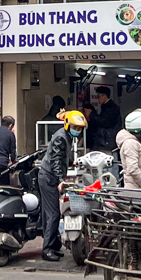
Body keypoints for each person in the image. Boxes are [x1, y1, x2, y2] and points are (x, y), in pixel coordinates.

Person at [39, 110, 84, 261]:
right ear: (67, 125)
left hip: (49, 177)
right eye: (75, 127)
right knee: (52, 214)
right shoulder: (61, 137)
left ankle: (53, 245)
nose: (77, 131)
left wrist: (72, 162)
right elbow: (56, 160)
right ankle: (47, 250)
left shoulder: (66, 136)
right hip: (49, 178)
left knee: (51, 214)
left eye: (79, 128)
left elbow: (62, 155)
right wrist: (60, 180)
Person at [117, 109, 141, 189]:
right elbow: (133, 169)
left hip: (138, 189)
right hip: (136, 190)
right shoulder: (130, 143)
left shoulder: (134, 142)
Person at [87, 86, 121, 150]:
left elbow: (105, 122)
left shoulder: (111, 108)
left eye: (98, 96)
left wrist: (91, 114)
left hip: (107, 139)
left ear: (104, 96)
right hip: (106, 138)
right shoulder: (107, 106)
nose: (98, 99)